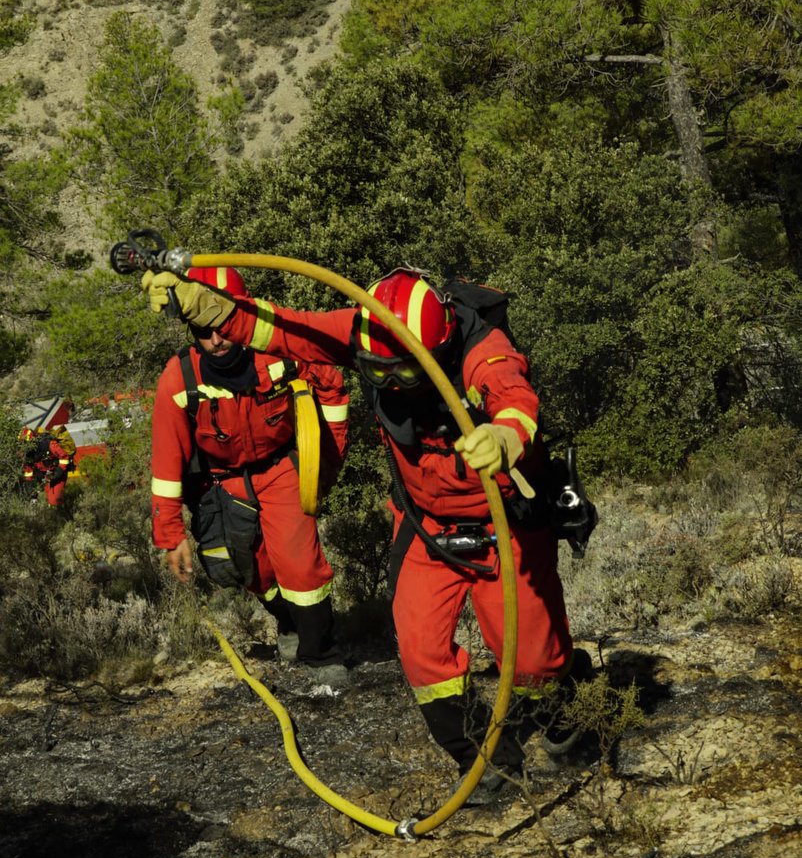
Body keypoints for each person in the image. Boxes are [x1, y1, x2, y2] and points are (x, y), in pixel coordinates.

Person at [144, 265, 592, 801]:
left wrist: (504, 434)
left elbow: (513, 394)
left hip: (504, 521)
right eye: (376, 373)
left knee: (534, 664)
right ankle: (485, 759)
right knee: (424, 655)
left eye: (400, 375)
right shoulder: (365, 328)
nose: (388, 386)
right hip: (426, 527)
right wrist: (210, 308)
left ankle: (568, 694)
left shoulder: (480, 349)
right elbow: (286, 329)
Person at [144, 265, 350, 685]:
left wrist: (323, 463)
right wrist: (170, 536)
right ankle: (288, 622)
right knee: (248, 569)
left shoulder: (278, 352)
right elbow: (167, 465)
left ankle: (320, 656)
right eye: (204, 329)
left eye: (223, 324)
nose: (217, 339)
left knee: (300, 564)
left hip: (279, 470)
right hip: (221, 483)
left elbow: (331, 381)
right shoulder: (179, 378)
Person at [19, 425, 76, 507]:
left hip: (57, 473)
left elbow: (64, 457)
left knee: (53, 501)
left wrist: (58, 473)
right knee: (49, 499)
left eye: (26, 444)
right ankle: (59, 512)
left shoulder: (48, 444)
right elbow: (28, 473)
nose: (24, 447)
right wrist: (32, 492)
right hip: (45, 477)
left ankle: (63, 515)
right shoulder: (27, 455)